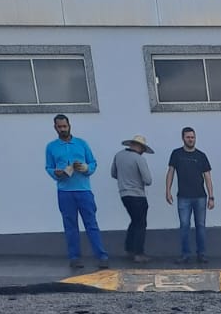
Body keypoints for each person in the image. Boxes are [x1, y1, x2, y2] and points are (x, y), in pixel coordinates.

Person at [45, 114, 109, 271]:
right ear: (55, 128)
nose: (62, 129)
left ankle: (102, 256)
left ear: (69, 126)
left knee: (91, 224)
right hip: (65, 191)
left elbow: (93, 163)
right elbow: (49, 167)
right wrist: (56, 173)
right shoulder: (51, 147)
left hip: (83, 190)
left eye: (64, 126)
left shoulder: (81, 144)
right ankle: (74, 257)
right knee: (70, 226)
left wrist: (86, 168)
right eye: (59, 127)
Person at [165, 127, 214, 264]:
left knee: (201, 226)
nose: (191, 139)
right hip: (183, 197)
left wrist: (211, 197)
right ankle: (185, 254)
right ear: (183, 138)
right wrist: (168, 190)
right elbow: (170, 172)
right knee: (184, 226)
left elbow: (208, 177)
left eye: (193, 137)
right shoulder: (176, 154)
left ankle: (202, 254)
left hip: (200, 197)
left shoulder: (201, 156)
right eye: (188, 137)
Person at [110, 134, 154, 264]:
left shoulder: (118, 155)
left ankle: (129, 248)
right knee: (140, 223)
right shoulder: (139, 159)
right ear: (140, 147)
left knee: (134, 221)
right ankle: (138, 253)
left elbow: (113, 173)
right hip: (138, 195)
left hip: (124, 194)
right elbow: (148, 180)